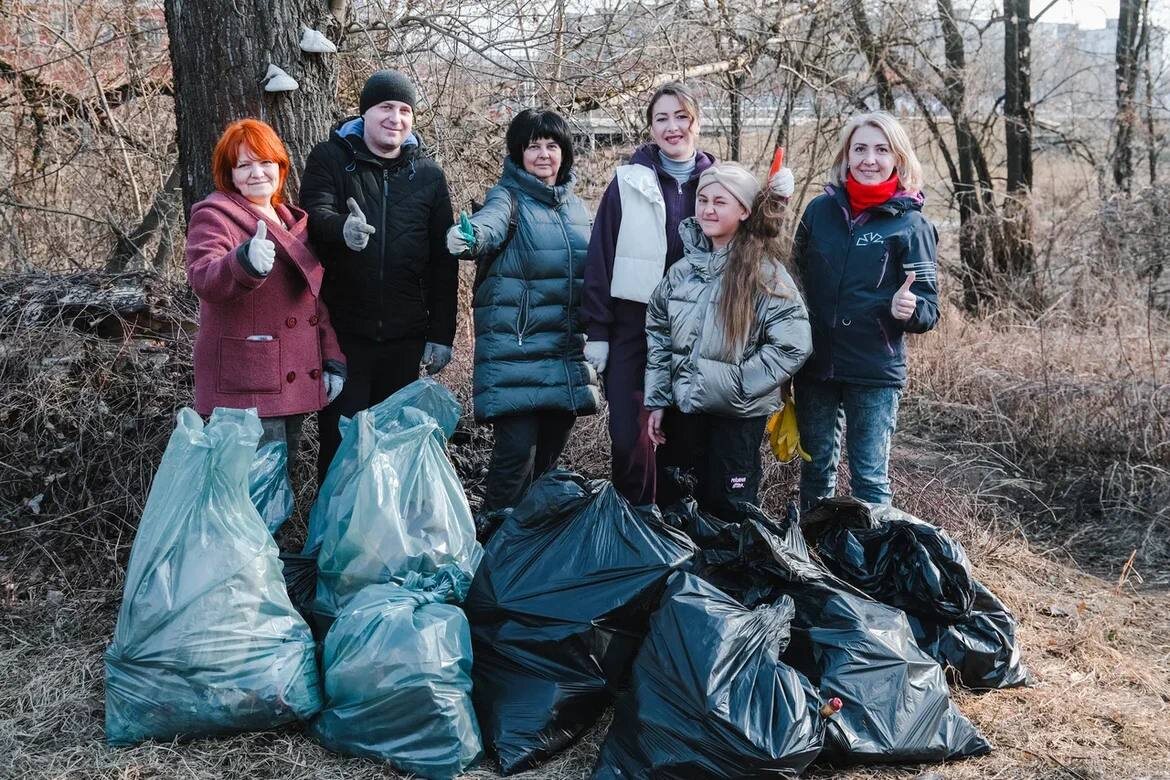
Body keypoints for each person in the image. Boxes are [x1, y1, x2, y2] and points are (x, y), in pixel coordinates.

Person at [300, 69, 458, 483]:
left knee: (391, 450)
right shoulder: (330, 158)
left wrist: (441, 334)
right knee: (341, 446)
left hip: (405, 338)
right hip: (344, 334)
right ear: (365, 112)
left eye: (405, 110)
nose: (396, 118)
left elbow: (444, 260)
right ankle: (332, 538)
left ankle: (382, 539)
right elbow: (313, 216)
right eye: (386, 107)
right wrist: (342, 230)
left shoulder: (428, 174)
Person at [445, 109, 601, 513]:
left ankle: (531, 555)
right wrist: (468, 237)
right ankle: (495, 553)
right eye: (534, 146)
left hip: (565, 354)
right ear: (519, 153)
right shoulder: (507, 198)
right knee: (515, 461)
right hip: (517, 356)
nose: (544, 154)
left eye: (552, 145)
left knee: (547, 469)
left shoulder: (579, 212)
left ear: (565, 153)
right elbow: (487, 226)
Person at [643, 161, 811, 518]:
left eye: (720, 201)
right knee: (675, 508)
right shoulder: (682, 272)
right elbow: (659, 334)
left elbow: (793, 343)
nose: (707, 208)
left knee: (728, 514)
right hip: (683, 413)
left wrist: (734, 384)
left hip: (736, 421)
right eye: (702, 199)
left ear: (745, 210)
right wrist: (657, 399)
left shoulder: (765, 275)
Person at [792, 111, 940, 510]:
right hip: (814, 366)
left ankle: (869, 566)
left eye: (881, 149)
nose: (869, 159)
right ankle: (812, 560)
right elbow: (791, 281)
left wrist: (908, 308)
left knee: (870, 480)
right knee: (816, 471)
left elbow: (929, 309)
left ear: (898, 158)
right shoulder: (818, 212)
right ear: (846, 156)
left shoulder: (912, 225)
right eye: (860, 149)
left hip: (875, 369)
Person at [579, 82, 718, 506]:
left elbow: (748, 250)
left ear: (696, 122)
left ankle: (673, 532)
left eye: (681, 117)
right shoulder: (627, 183)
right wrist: (597, 331)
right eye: (662, 118)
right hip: (631, 329)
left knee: (679, 440)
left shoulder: (719, 182)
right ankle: (635, 527)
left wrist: (775, 201)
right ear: (651, 128)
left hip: (694, 331)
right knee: (630, 438)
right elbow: (600, 256)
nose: (672, 127)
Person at [186, 118, 346, 475]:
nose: (257, 173)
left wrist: (331, 357)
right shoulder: (215, 216)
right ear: (230, 173)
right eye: (244, 165)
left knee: (278, 489)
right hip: (246, 385)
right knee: (251, 496)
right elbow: (204, 277)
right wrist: (242, 262)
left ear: (280, 167)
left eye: (265, 162)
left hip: (287, 378)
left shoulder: (291, 220)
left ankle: (278, 535)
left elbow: (312, 302)